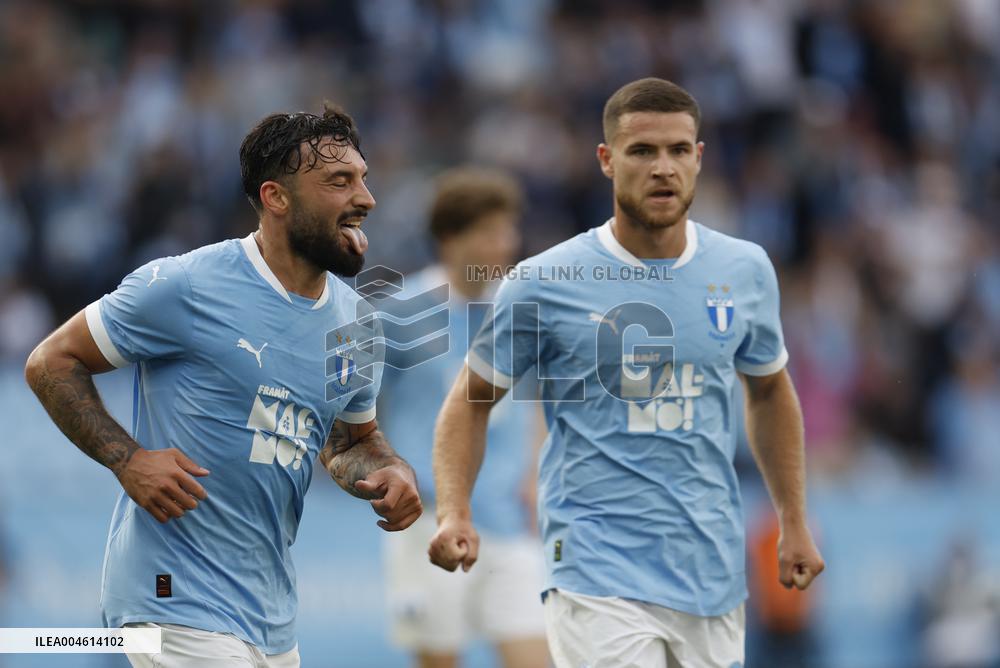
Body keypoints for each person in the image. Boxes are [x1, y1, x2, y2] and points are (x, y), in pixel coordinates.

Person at [428, 78, 825, 668]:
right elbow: (471, 400)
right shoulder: (543, 281)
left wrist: (793, 518)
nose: (663, 167)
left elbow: (769, 391)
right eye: (642, 151)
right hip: (594, 565)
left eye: (678, 150)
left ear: (699, 157)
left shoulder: (744, 270)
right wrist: (454, 509)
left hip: (710, 565)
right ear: (607, 161)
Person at [24, 105, 422, 668]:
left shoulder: (357, 324)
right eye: (339, 181)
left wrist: (389, 469)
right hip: (173, 598)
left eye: (362, 178)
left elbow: (350, 442)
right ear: (276, 197)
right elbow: (51, 362)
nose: (366, 198)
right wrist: (128, 459)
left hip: (270, 615)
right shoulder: (185, 285)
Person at [377, 168, 549, 668]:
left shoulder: (519, 312)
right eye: (492, 233)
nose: (507, 245)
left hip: (508, 521)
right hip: (428, 523)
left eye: (509, 231)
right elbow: (357, 416)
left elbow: (530, 402)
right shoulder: (397, 313)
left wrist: (535, 476)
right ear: (450, 238)